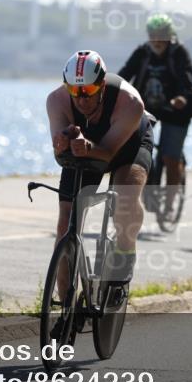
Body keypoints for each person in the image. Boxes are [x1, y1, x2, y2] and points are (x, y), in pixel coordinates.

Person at [46, 50, 153, 302]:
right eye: (75, 91)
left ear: (102, 84)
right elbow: (59, 155)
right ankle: (65, 307)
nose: (81, 100)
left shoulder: (129, 102)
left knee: (124, 203)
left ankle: (125, 253)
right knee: (65, 223)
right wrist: (61, 146)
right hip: (86, 147)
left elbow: (107, 154)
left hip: (128, 145)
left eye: (89, 92)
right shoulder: (57, 101)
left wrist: (89, 147)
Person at [117, 14, 192, 218]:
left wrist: (181, 98)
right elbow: (124, 75)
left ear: (170, 36)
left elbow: (187, 81)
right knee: (136, 150)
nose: (157, 41)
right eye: (153, 36)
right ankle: (143, 185)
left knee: (170, 156)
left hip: (176, 111)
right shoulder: (143, 53)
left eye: (162, 36)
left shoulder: (179, 53)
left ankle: (169, 204)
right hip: (146, 109)